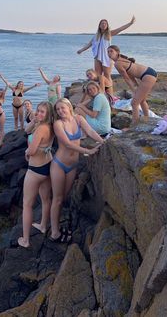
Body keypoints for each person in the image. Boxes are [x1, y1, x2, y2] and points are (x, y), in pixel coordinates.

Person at [50, 98, 104, 242]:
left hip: (72, 165)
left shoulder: (78, 119)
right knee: (57, 198)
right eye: (58, 109)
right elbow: (67, 144)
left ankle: (56, 222)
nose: (61, 111)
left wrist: (103, 142)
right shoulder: (58, 124)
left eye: (63, 107)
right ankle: (54, 232)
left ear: (69, 107)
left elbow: (91, 131)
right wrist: (89, 151)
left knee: (64, 197)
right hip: (59, 164)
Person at [18, 101, 54, 248]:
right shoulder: (49, 126)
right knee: (46, 199)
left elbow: (32, 151)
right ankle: (43, 226)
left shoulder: (41, 129)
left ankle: (25, 240)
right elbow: (26, 131)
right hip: (47, 166)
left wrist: (27, 152)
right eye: (38, 110)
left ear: (48, 114)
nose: (38, 113)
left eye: (42, 112)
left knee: (27, 204)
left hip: (35, 170)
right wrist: (34, 120)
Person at [77, 16, 135, 93]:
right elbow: (89, 44)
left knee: (107, 75)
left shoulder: (109, 33)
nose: (103, 24)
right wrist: (81, 50)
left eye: (105, 23)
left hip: (107, 58)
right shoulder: (96, 36)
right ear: (99, 25)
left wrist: (130, 23)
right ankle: (99, 92)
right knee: (98, 76)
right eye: (102, 23)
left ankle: (110, 94)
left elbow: (120, 29)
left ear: (107, 25)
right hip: (97, 58)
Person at [107, 45, 157, 124]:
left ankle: (135, 124)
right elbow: (131, 75)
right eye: (108, 52)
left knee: (134, 103)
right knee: (142, 100)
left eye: (111, 51)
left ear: (117, 52)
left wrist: (134, 90)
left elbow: (126, 78)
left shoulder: (117, 64)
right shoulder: (121, 60)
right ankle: (147, 119)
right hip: (149, 72)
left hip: (148, 76)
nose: (109, 53)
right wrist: (136, 86)